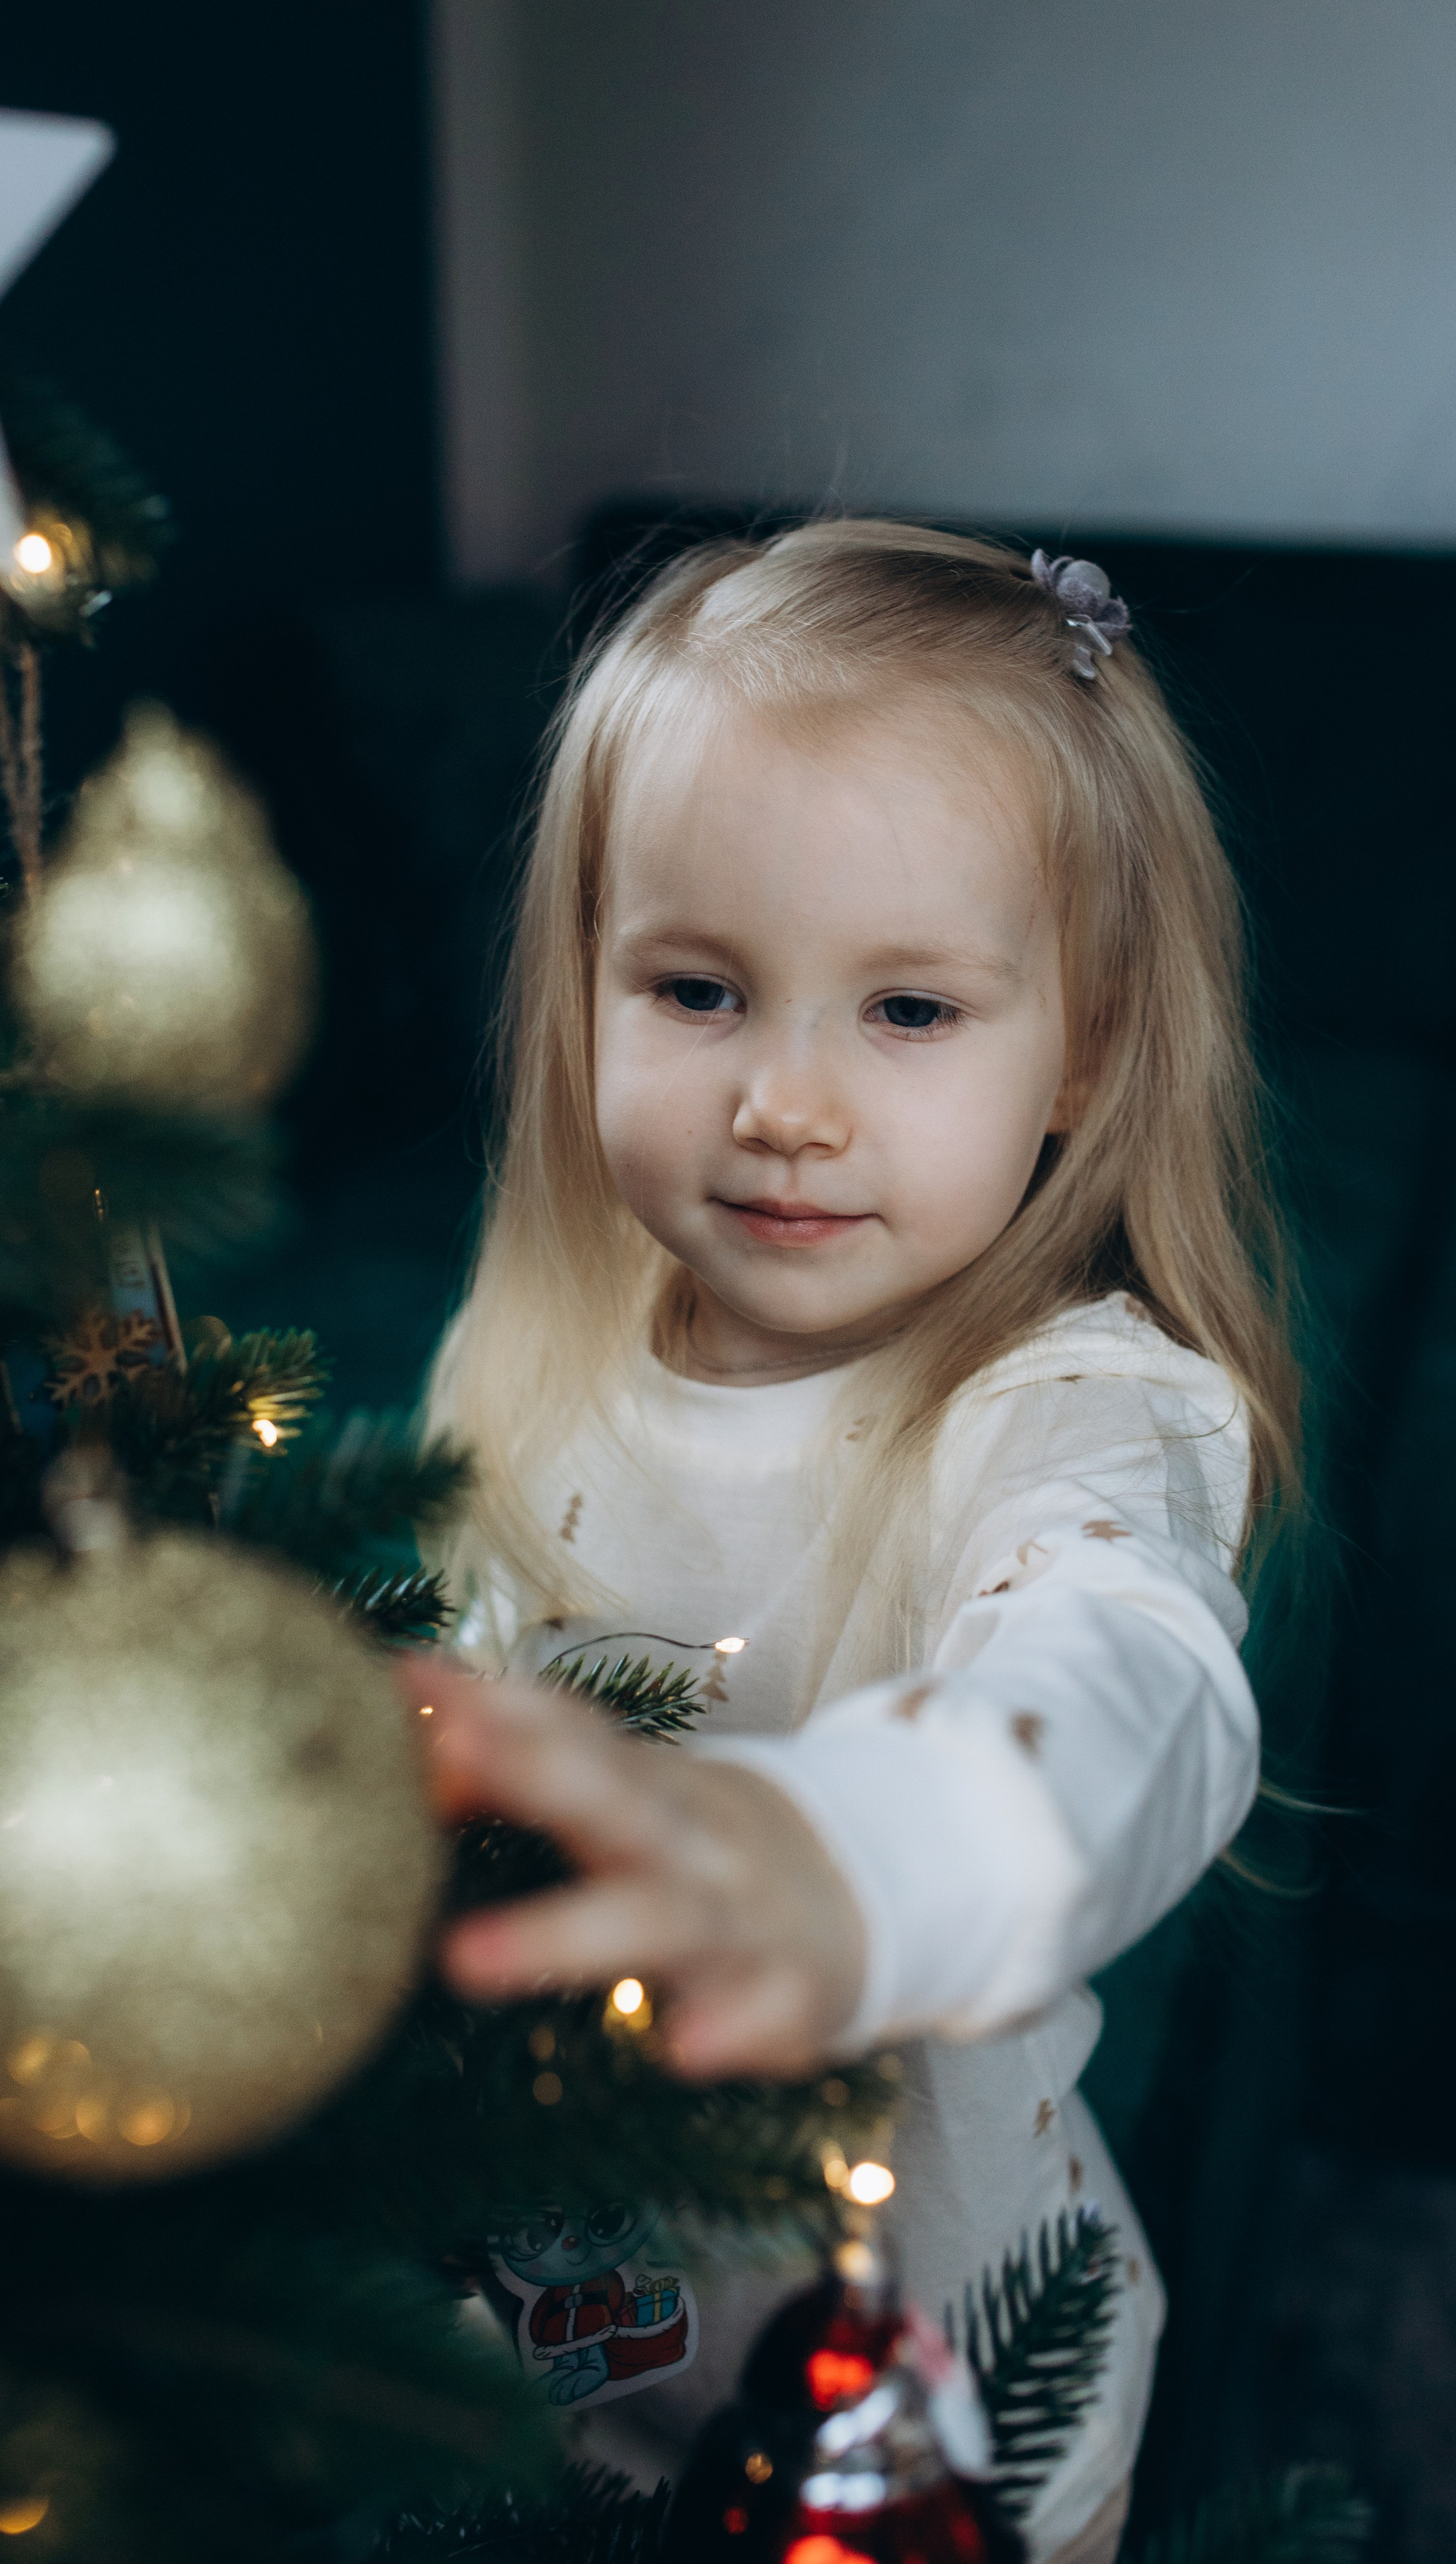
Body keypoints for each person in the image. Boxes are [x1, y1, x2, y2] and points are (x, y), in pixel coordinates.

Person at [402, 521, 1299, 2564]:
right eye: (700, 989)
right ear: (587, 988)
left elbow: (1130, 1683)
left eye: (907, 1011)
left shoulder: (1083, 1410)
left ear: (1078, 1048)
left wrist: (852, 1853)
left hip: (952, 2444)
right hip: (551, 2384)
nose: (785, 1103)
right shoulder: (532, 1345)